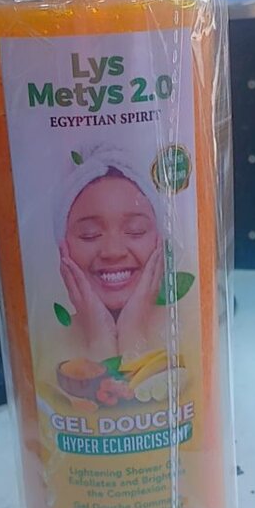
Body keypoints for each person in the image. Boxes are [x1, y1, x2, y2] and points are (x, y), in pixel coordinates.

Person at [56, 149, 164, 362]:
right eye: (90, 234)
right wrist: (99, 340)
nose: (113, 252)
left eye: (135, 230)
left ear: (159, 241)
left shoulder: (189, 324)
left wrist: (134, 333)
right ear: (63, 247)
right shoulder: (45, 340)